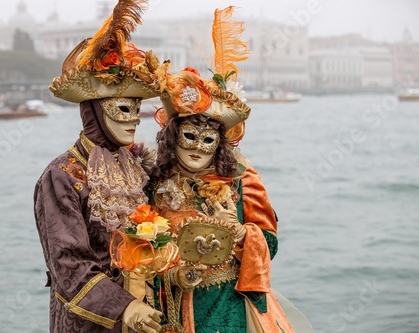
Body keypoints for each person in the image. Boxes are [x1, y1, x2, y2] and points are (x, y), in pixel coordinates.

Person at [148, 6, 312, 333]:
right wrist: (172, 273)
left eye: (207, 139)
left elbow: (270, 244)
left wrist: (239, 233)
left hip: (232, 307)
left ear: (219, 144)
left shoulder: (241, 179)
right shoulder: (152, 182)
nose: (196, 147)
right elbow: (138, 250)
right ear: (172, 138)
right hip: (175, 306)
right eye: (189, 136)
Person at [34, 1, 165, 332]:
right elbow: (68, 264)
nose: (134, 119)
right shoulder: (61, 176)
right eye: (123, 108)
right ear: (93, 111)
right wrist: (124, 307)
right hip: (90, 323)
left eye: (137, 108)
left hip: (145, 315)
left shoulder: (136, 163)